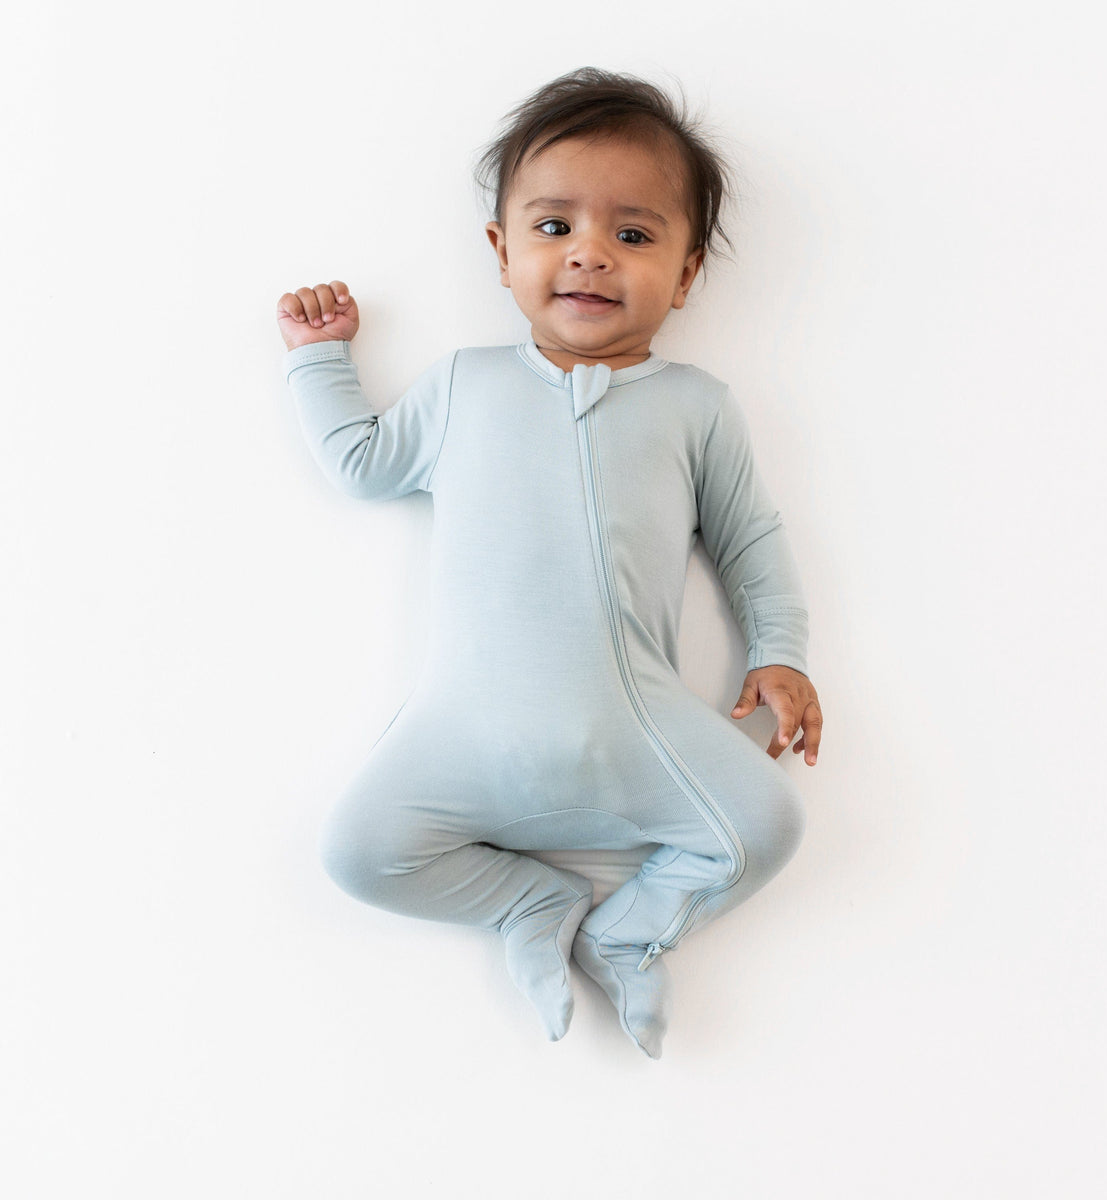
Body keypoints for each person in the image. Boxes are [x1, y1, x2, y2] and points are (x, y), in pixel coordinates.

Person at [275, 67, 824, 1059]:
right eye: (555, 227)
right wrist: (321, 360)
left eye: (635, 234)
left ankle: (628, 932)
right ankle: (528, 899)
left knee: (768, 825)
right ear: (502, 251)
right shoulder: (464, 386)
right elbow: (361, 469)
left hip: (642, 731)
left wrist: (778, 650)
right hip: (463, 736)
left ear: (687, 273)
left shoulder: (694, 405)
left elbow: (749, 537)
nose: (591, 258)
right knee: (358, 854)